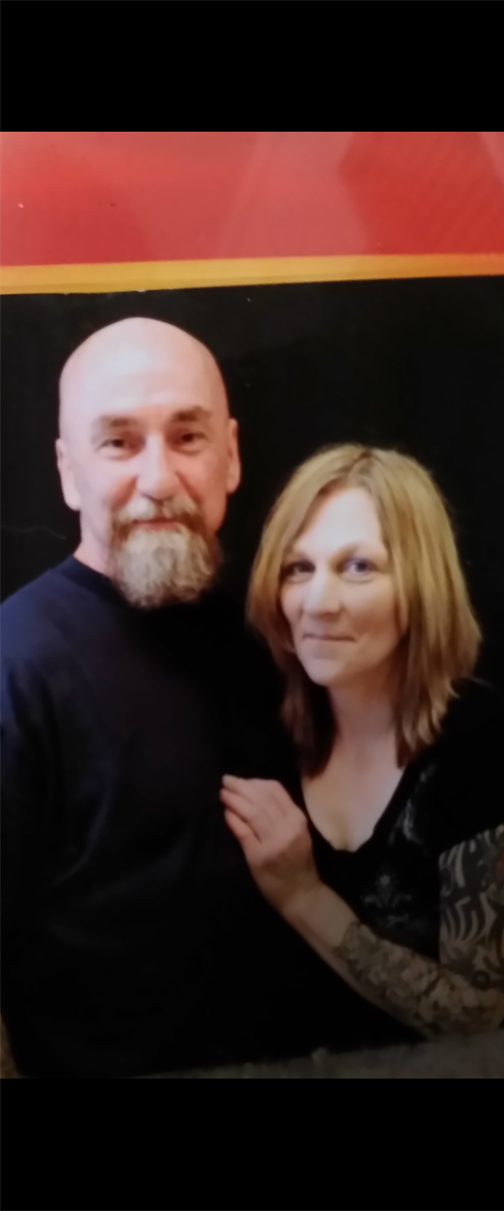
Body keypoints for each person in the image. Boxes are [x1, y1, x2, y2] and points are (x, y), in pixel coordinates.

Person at [0, 316, 296, 1079]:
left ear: (230, 455)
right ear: (68, 471)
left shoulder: (277, 635)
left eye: (187, 436)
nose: (159, 478)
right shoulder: (14, 665)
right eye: (119, 442)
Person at [221, 444, 504, 1041]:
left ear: (422, 585)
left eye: (358, 567)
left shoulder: (484, 750)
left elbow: (477, 1014)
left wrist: (302, 896)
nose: (318, 603)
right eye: (298, 568)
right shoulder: (264, 731)